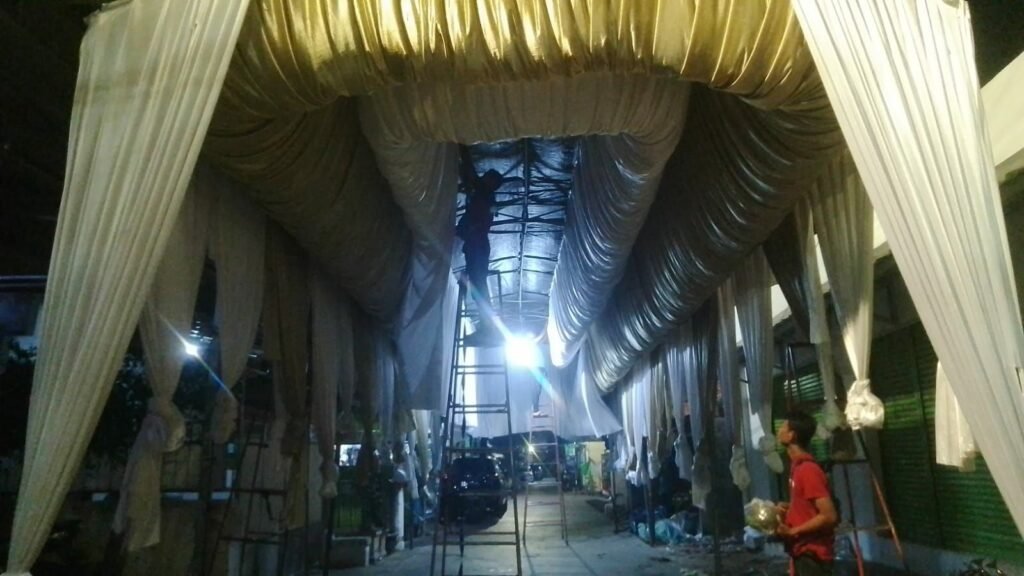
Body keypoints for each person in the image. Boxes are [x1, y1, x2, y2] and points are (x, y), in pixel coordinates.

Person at [775, 410, 838, 576]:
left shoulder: (808, 470)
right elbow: (809, 506)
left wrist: (793, 531)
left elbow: (829, 516)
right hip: (801, 552)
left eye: (783, 427)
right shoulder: (796, 468)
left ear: (792, 436)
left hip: (813, 555)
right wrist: (790, 508)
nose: (778, 431)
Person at [455, 145, 503, 347]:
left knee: (479, 286)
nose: (483, 178)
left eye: (487, 177)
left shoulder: (484, 193)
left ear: (491, 183)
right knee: (478, 285)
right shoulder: (485, 195)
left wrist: (462, 150)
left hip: (477, 245)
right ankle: (487, 329)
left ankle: (488, 330)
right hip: (477, 246)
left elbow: (471, 176)